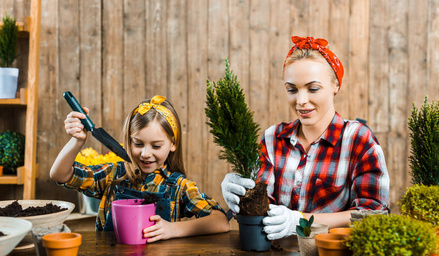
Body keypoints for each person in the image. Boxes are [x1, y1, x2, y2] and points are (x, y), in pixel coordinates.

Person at [221, 36, 389, 240]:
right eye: (292, 90)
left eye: (313, 89)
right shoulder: (272, 139)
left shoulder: (358, 140)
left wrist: (300, 220)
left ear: (336, 86)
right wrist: (240, 193)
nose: (301, 101)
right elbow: (261, 208)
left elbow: (373, 214)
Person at [50, 95, 229, 243]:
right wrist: (77, 141)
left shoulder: (179, 187)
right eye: (138, 143)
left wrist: (172, 229)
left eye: (156, 146)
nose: (145, 154)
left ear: (172, 144)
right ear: (128, 141)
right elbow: (60, 175)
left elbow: (220, 221)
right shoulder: (113, 175)